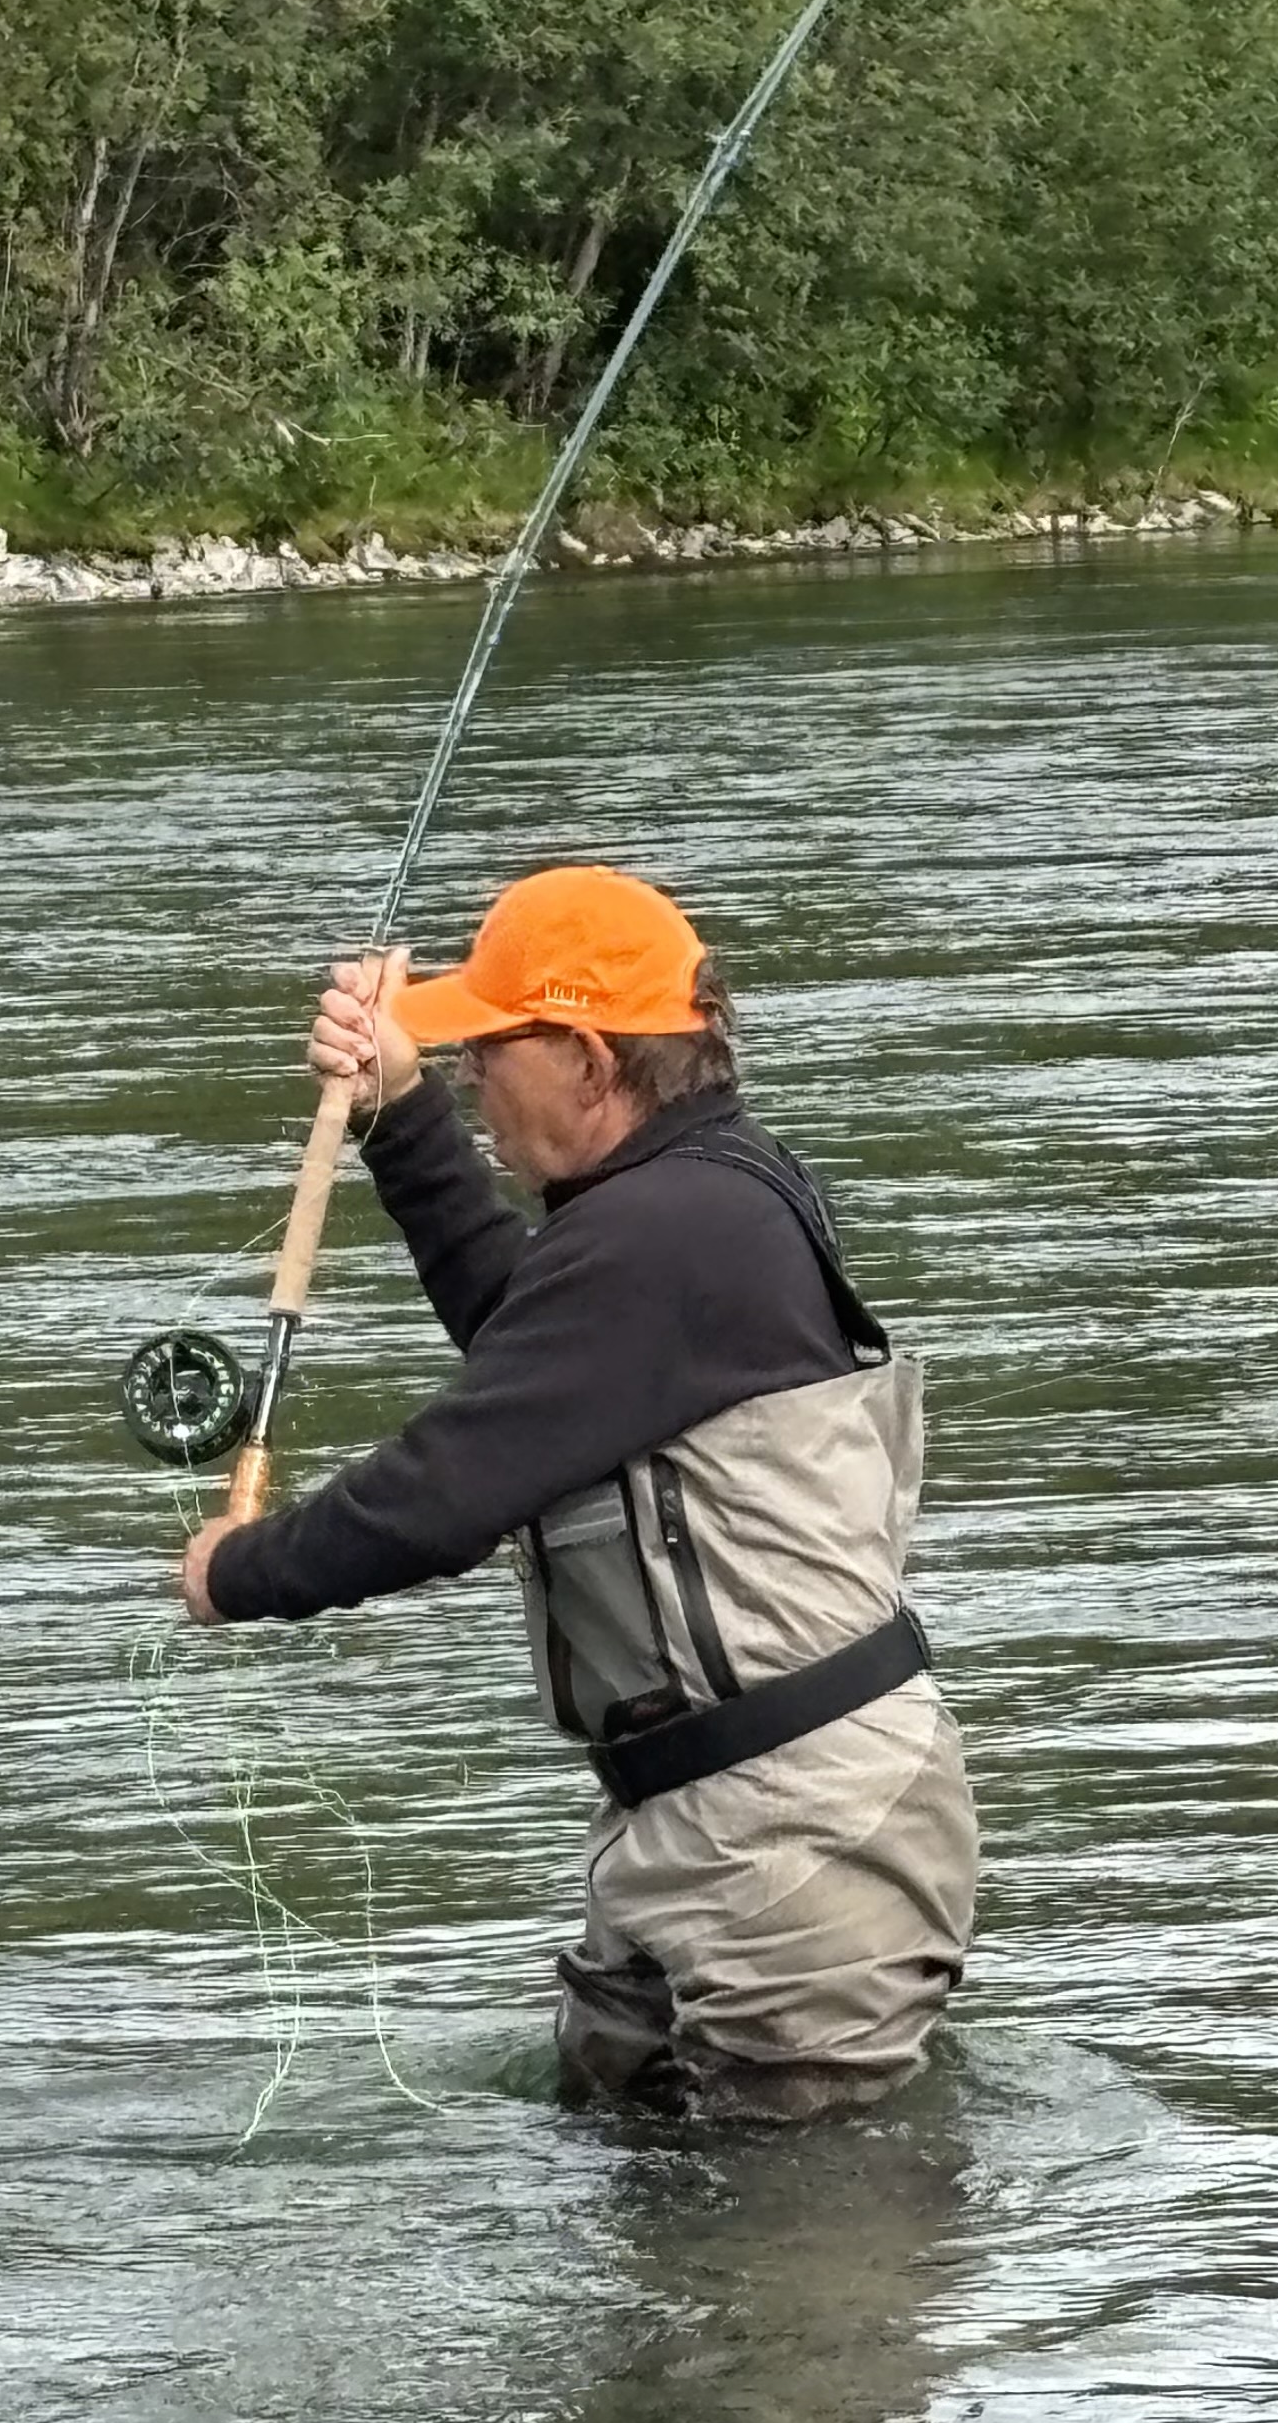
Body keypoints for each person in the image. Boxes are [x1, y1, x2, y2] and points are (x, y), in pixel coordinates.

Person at [173, 864, 977, 2121]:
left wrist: (237, 1568)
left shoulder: (671, 1229)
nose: (472, 1078)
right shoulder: (693, 1202)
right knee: (637, 2169)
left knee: (808, 2221)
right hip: (708, 1813)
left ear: (590, 1062)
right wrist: (396, 1112)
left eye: (488, 1050)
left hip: (798, 1834)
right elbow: (532, 1341)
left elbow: (448, 1489)